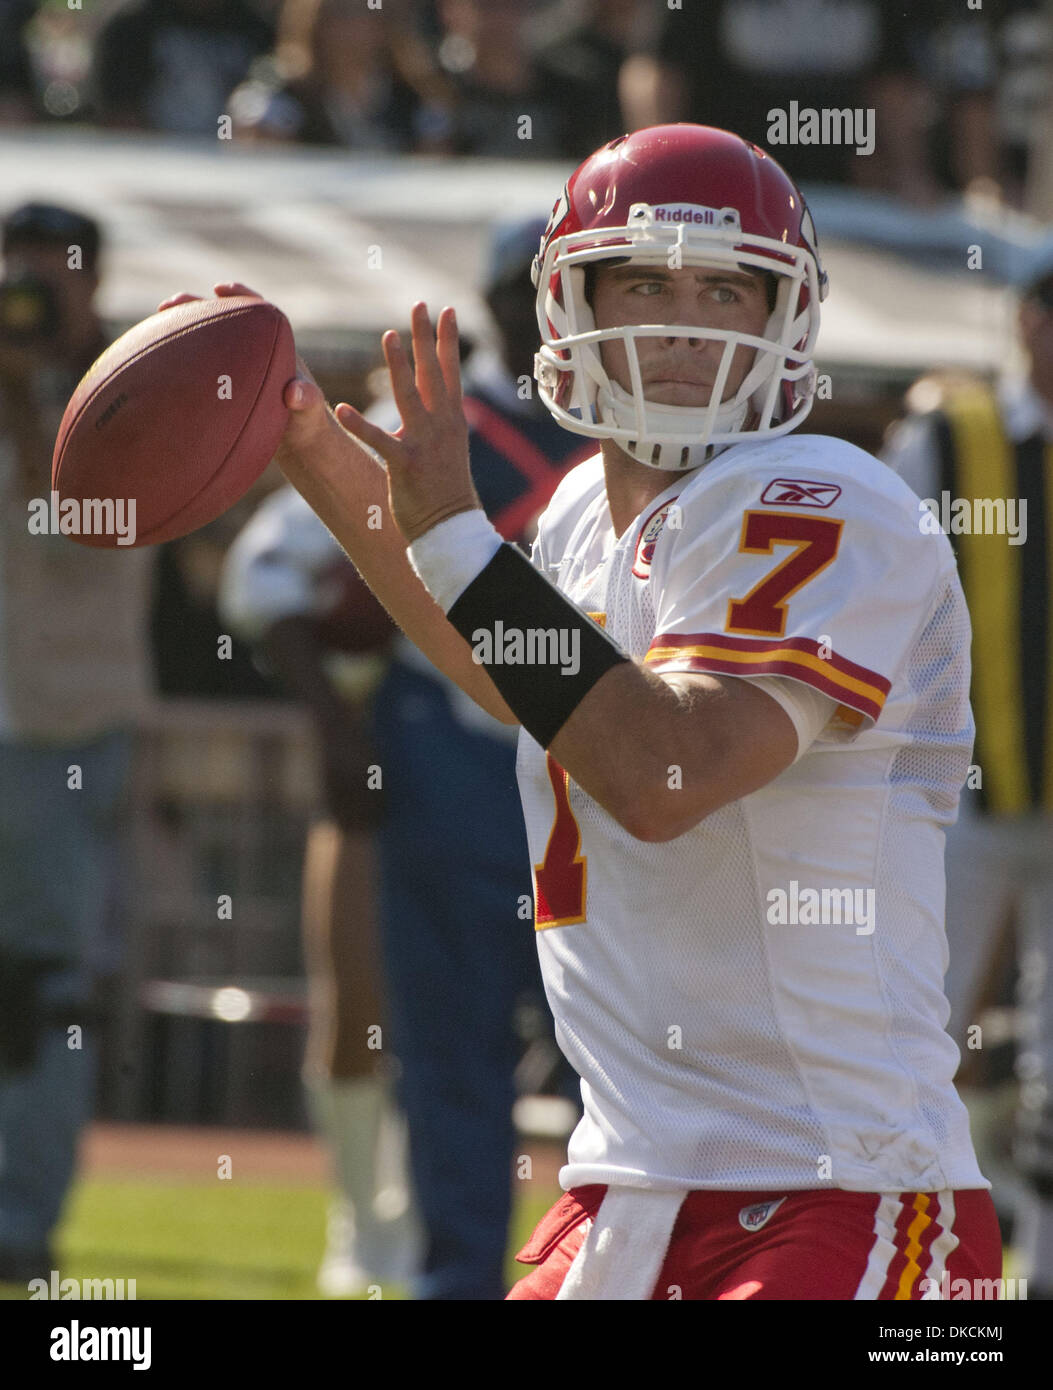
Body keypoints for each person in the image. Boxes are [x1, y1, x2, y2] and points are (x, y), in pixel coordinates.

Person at [161, 123, 1000, 1300]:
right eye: (645, 280)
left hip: (836, 1190)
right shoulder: (572, 522)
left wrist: (457, 539)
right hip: (623, 1187)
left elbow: (667, 772)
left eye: (725, 288)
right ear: (571, 299)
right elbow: (505, 667)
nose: (683, 318)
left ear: (784, 319)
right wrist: (311, 444)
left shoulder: (830, 499)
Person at [218, 218, 592, 1299]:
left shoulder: (645, 425)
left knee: (614, 1052)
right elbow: (270, 574)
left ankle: (608, 1275)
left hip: (603, 764)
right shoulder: (435, 419)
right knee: (449, 1046)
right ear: (493, 306)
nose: (542, 317)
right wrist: (338, 729)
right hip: (455, 759)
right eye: (527, 296)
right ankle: (454, 1277)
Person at [882, 262, 1053, 1298]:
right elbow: (881, 590)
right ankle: (898, 1259)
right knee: (915, 1028)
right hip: (960, 796)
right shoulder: (949, 431)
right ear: (1030, 319)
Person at [0, 203, 154, 1282]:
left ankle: (22, 1225)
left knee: (45, 988)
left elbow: (91, 532)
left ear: (95, 289)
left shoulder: (132, 397)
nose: (33, 306)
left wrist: (35, 396)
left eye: (54, 284)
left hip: (64, 724)